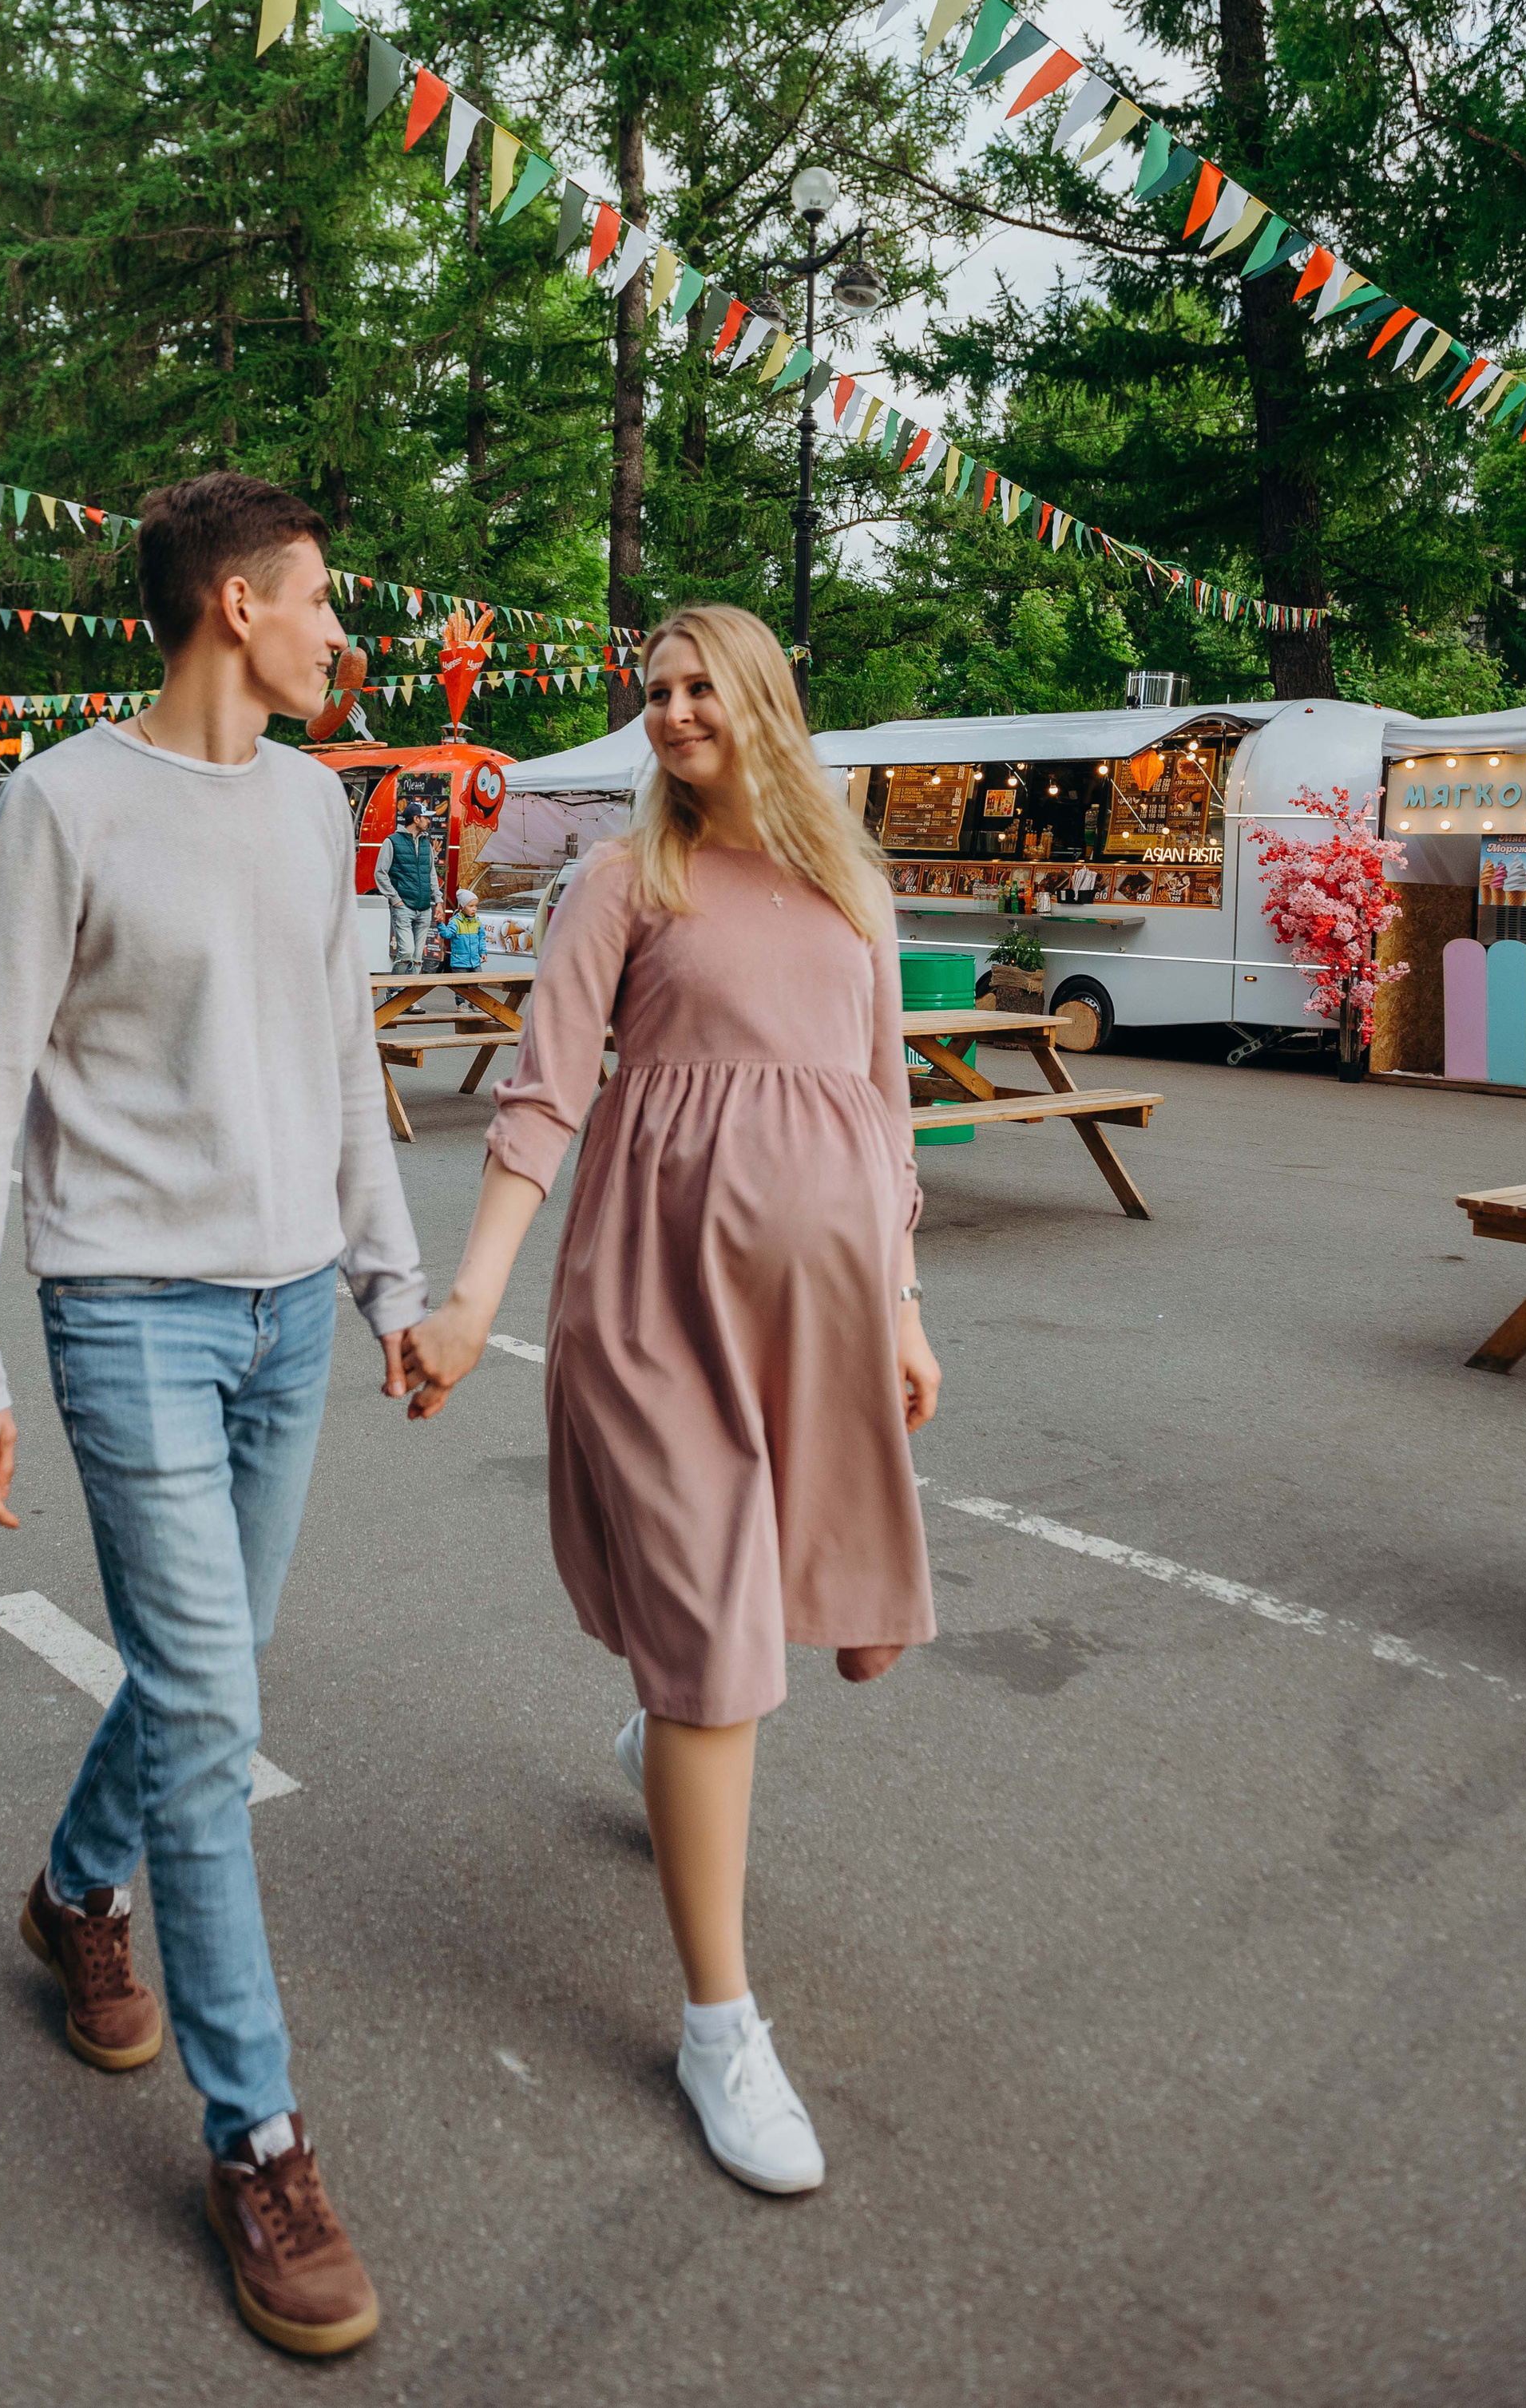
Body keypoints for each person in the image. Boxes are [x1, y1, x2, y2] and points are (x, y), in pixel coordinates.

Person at [0, 473, 425, 2358]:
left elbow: (342, 1061)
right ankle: (262, 2140)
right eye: (315, 604)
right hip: (124, 1313)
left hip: (291, 1313)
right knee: (210, 1705)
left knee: (209, 1668)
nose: (333, 632)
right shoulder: (61, 802)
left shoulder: (312, 802)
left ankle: (71, 1890)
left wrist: (386, 1276)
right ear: (232, 604)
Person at [402, 604, 939, 2199]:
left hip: (822, 1310)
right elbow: (546, 1086)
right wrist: (471, 1299)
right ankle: (719, 2026)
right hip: (651, 1305)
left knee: (741, 1619)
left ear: (765, 696)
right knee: (718, 1646)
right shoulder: (617, 879)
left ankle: (669, 1713)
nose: (673, 712)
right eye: (654, 692)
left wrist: (904, 1305)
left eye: (701, 686)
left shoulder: (849, 883)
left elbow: (881, 1105)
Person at [375, 788, 442, 972]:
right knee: (406, 953)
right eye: (426, 817)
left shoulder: (426, 843)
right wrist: (395, 900)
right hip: (403, 906)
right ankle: (395, 993)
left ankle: (409, 999)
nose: (429, 821)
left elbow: (431, 874)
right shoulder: (392, 841)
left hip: (424, 907)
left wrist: (438, 901)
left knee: (418, 957)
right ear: (416, 819)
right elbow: (380, 872)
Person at [446, 887, 486, 972]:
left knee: (478, 982)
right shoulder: (455, 922)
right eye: (471, 906)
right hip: (459, 964)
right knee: (461, 985)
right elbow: (447, 934)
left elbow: (481, 938)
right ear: (462, 907)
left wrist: (483, 952)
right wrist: (440, 924)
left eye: (476, 906)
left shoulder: (477, 922)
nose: (474, 909)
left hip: (475, 963)